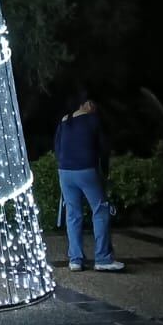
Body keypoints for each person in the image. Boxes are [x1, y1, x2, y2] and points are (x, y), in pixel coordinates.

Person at [54, 90, 123, 272]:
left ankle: (75, 260)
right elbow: (103, 149)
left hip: (65, 171)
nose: (95, 109)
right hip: (86, 170)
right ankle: (102, 258)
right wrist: (105, 173)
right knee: (100, 210)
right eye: (94, 105)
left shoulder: (64, 120)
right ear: (88, 104)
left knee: (73, 214)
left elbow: (57, 147)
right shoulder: (93, 120)